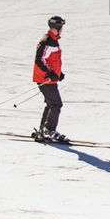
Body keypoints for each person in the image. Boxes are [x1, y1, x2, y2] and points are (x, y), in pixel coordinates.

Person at [32, 16, 69, 144]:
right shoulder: (47, 41)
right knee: (56, 104)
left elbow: (52, 61)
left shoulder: (53, 40)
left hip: (49, 79)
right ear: (57, 28)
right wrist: (50, 74)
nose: (62, 29)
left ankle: (44, 129)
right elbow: (39, 59)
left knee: (51, 103)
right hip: (45, 79)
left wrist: (58, 73)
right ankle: (49, 130)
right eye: (61, 27)